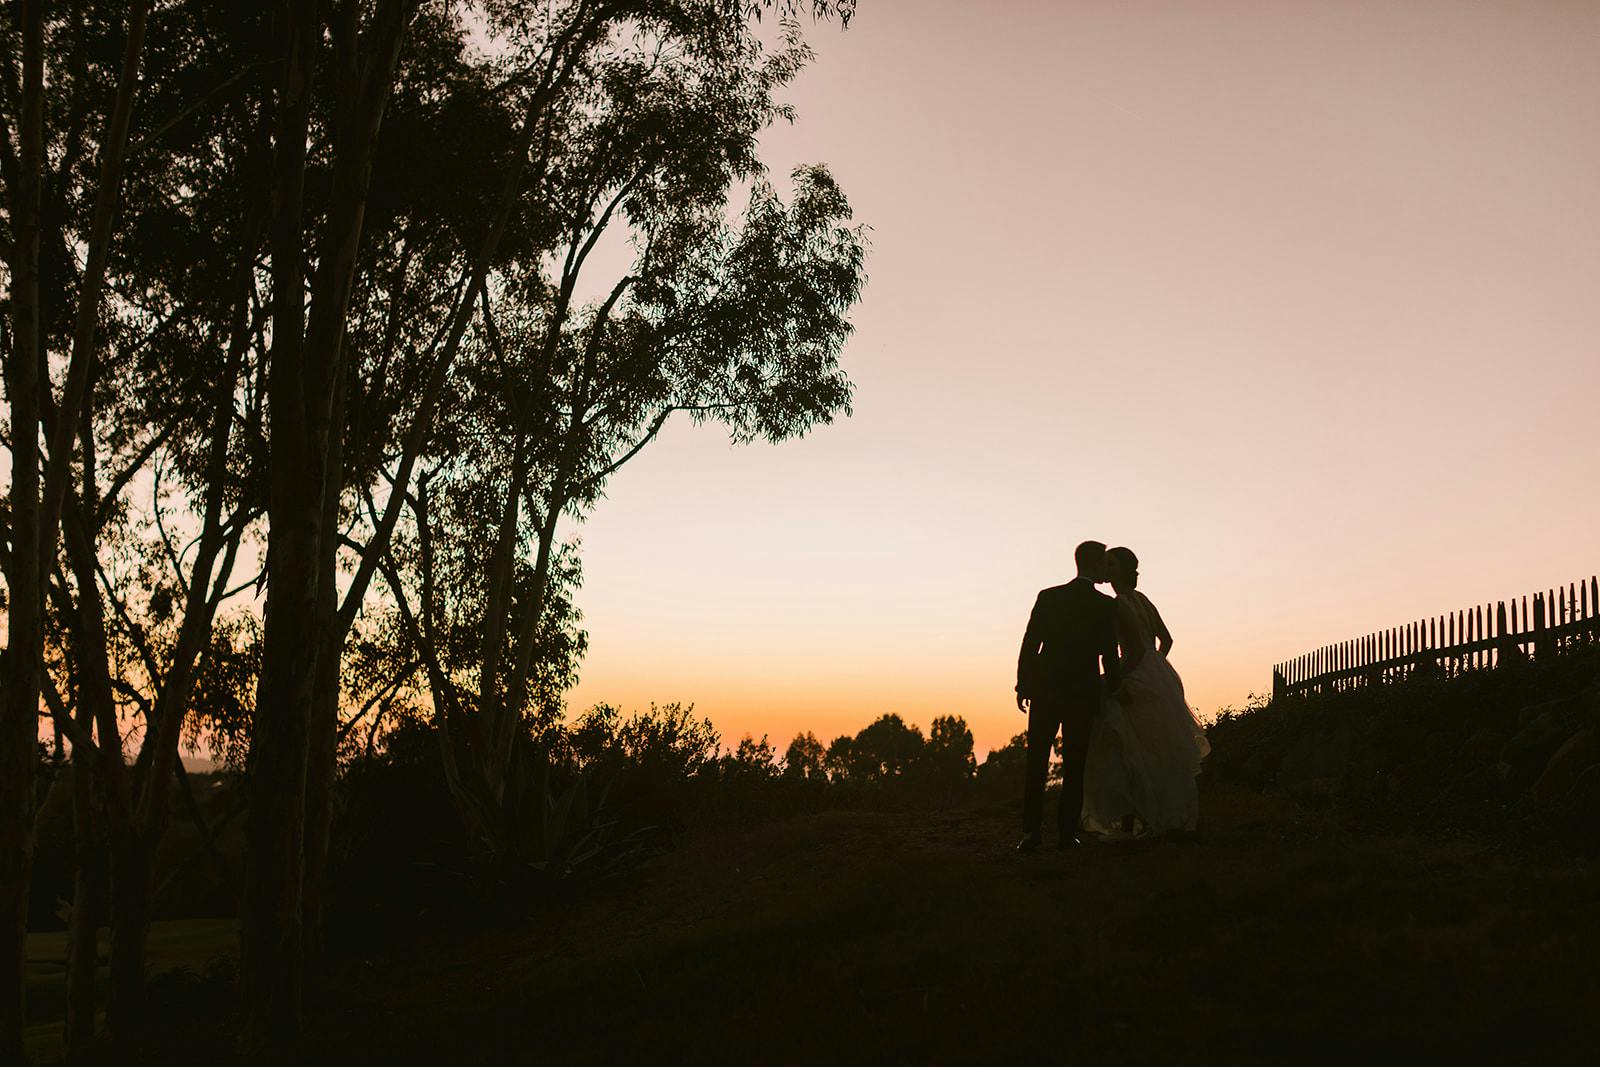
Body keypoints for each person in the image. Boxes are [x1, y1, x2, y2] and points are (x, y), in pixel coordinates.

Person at [1082, 547, 1211, 837]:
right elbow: (1165, 639)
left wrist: (1119, 679)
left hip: (1136, 674)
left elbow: (1136, 650)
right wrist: (1158, 668)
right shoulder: (1144, 600)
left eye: (1111, 563)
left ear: (1119, 570)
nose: (1106, 567)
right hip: (1156, 673)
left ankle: (1131, 823)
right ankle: (1164, 816)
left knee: (1125, 745)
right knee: (1158, 747)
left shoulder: (1118, 604)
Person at [1014, 540, 1121, 852]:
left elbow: (1030, 643)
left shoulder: (1049, 597)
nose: (1106, 569)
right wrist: (1114, 690)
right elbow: (1109, 654)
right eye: (1104, 563)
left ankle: (1030, 835)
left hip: (1046, 689)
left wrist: (1023, 684)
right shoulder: (1105, 605)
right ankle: (1065, 835)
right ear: (1094, 564)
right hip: (1082, 692)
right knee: (1076, 764)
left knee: (1036, 761)